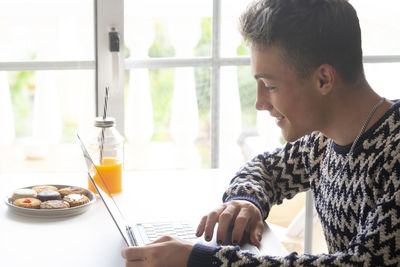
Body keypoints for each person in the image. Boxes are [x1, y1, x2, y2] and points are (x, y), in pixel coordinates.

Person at [122, 0, 400, 266]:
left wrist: (200, 259)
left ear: (323, 79)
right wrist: (246, 202)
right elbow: (265, 168)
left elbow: (362, 263)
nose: (259, 103)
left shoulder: (393, 153)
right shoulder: (322, 140)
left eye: (270, 85)